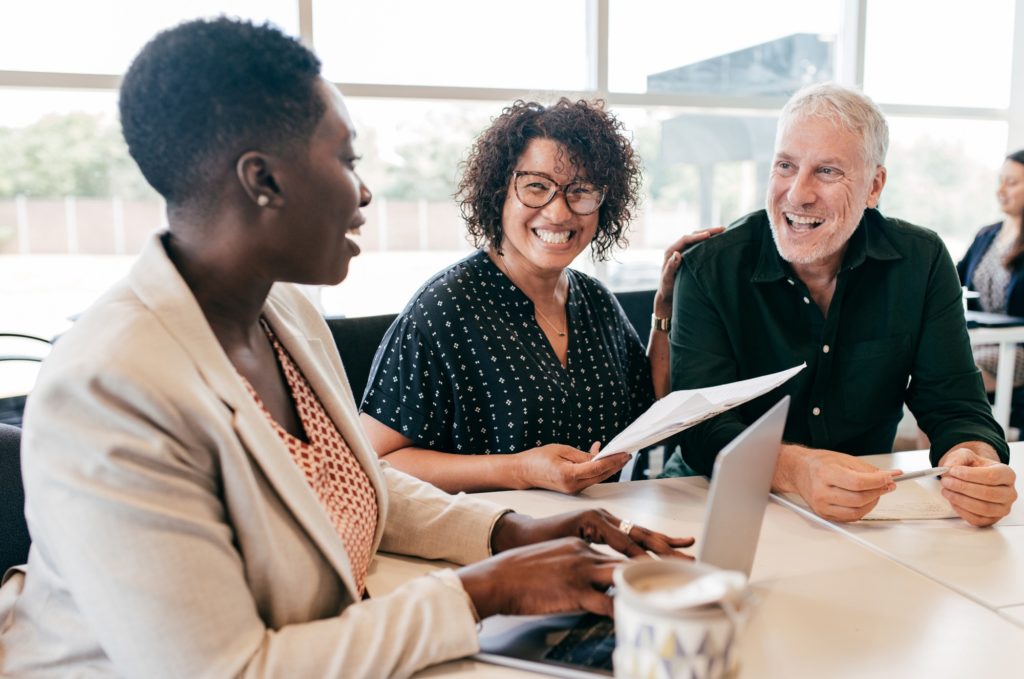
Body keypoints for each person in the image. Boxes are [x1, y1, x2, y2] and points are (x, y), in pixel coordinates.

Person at [0, 18, 695, 678]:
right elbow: (228, 669)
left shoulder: (287, 314)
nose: (363, 192)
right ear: (262, 179)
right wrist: (481, 591)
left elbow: (354, 478)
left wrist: (512, 533)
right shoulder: (108, 385)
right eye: (345, 159)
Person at [665, 82, 1017, 527]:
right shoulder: (710, 269)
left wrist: (975, 461)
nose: (797, 194)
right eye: (785, 166)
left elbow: (956, 406)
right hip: (714, 495)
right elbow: (702, 428)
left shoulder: (922, 261)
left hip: (863, 508)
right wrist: (797, 470)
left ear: (874, 186)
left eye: (828, 171)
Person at [360, 98, 721, 494]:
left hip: (597, 530)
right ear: (499, 192)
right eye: (537, 186)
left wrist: (665, 307)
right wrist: (518, 470)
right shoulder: (443, 310)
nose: (559, 212)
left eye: (580, 191)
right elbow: (377, 461)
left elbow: (650, 405)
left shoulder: (594, 301)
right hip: (490, 540)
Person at [957, 150, 1024, 393]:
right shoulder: (987, 235)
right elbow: (951, 278)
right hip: (982, 340)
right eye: (1000, 181)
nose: (1001, 190)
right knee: (932, 367)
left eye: (1012, 182)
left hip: (1018, 347)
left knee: (959, 374)